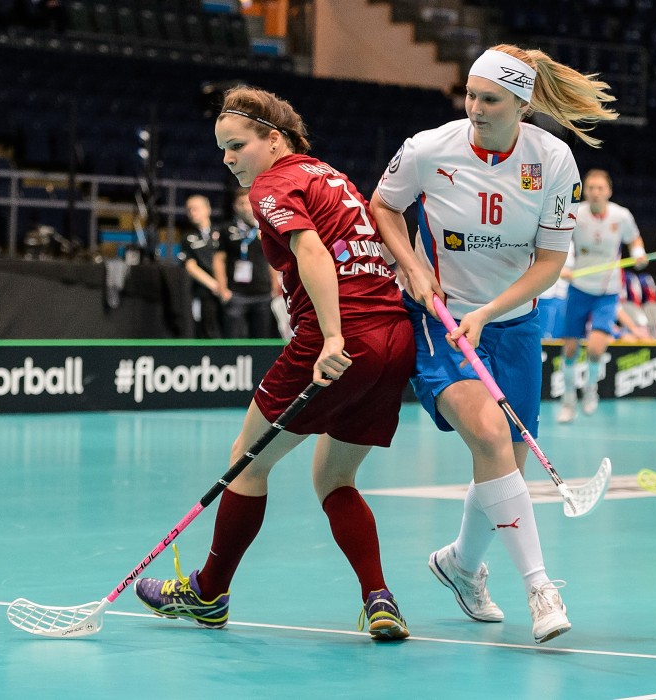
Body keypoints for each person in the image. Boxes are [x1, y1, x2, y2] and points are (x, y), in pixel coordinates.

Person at [134, 85, 416, 640]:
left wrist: (331, 337)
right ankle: (378, 597)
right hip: (393, 338)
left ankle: (208, 593)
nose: (227, 159)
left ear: (274, 139)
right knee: (334, 477)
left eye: (237, 145)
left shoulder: (273, 185)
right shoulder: (330, 176)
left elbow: (311, 251)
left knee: (246, 462)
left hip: (339, 341)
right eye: (222, 149)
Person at [369, 44, 617, 643]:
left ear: (523, 106)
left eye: (491, 100)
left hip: (514, 323)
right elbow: (383, 206)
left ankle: (460, 564)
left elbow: (550, 262)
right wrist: (413, 268)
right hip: (440, 319)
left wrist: (488, 313)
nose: (475, 108)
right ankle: (540, 587)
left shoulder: (553, 159)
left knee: (505, 462)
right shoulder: (429, 149)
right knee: (488, 434)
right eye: (471, 95)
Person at [557, 169, 646, 422]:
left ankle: (590, 390)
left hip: (607, 292)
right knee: (570, 349)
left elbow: (635, 239)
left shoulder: (621, 215)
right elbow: (561, 241)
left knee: (596, 349)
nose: (595, 192)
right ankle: (568, 399)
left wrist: (638, 254)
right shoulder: (576, 213)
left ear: (609, 191)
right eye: (591, 188)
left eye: (600, 188)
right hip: (578, 288)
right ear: (584, 191)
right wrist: (564, 267)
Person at [214, 187, 277, 338]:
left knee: (261, 342)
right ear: (235, 206)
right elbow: (219, 260)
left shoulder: (265, 228)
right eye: (241, 203)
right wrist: (223, 289)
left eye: (249, 203)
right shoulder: (226, 230)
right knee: (233, 342)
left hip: (263, 293)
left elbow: (273, 258)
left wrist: (275, 284)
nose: (246, 207)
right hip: (236, 294)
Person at [178, 194, 226, 338]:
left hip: (229, 289)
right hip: (205, 292)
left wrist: (223, 285)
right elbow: (190, 266)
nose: (192, 212)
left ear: (207, 209)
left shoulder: (223, 232)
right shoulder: (187, 237)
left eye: (196, 208)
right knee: (208, 331)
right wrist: (214, 285)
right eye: (189, 210)